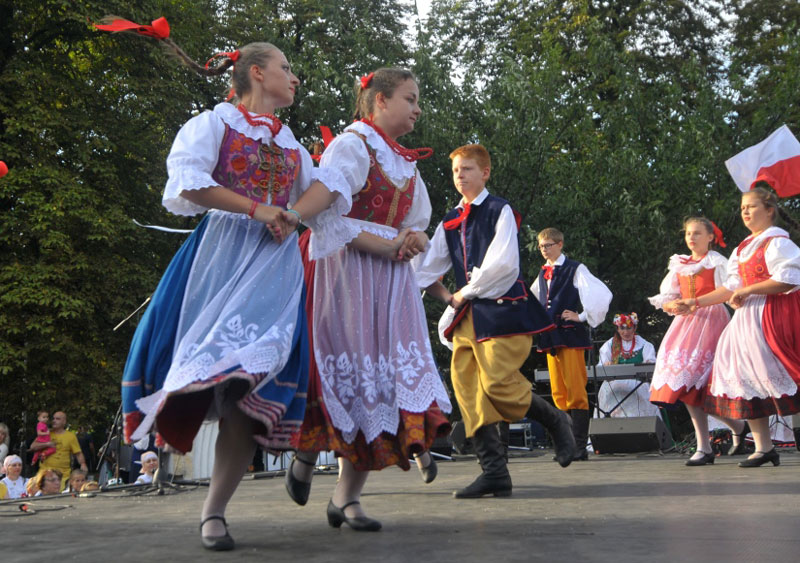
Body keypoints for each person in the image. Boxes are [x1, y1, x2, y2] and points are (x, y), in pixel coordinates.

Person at [99, 17, 350, 551]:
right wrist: (260, 209)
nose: (295, 77)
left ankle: (214, 512)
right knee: (211, 370)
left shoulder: (291, 144)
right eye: (286, 68)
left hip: (274, 270)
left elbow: (327, 190)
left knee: (246, 388)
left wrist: (288, 215)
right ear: (257, 73)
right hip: (218, 261)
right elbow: (191, 183)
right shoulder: (212, 123)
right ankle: (191, 431)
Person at [287, 68, 453, 529]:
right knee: (346, 367)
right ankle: (305, 453)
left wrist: (414, 239)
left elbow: (417, 219)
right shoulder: (352, 145)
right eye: (410, 98)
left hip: (390, 279)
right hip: (347, 271)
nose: (418, 108)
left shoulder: (405, 162)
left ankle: (345, 497)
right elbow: (326, 221)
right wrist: (388, 245)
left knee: (380, 380)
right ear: (380, 100)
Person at [415, 144, 575, 498]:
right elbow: (426, 271)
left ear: (485, 173)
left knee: (497, 382)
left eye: (468, 169)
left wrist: (465, 292)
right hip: (468, 316)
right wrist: (449, 297)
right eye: (456, 170)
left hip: (504, 312)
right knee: (468, 389)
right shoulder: (450, 220)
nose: (460, 175)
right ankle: (494, 471)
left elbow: (504, 266)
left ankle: (555, 420)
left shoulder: (499, 210)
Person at [674, 187, 800, 467]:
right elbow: (731, 287)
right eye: (743, 207)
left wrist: (749, 290)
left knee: (784, 375)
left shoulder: (778, 242)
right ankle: (764, 447)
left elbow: (790, 278)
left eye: (751, 206)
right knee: (748, 380)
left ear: (769, 211)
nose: (745, 211)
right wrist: (694, 302)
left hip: (772, 316)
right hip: (746, 322)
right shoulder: (743, 247)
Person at [649, 217, 747, 465]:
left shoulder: (717, 262)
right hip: (685, 325)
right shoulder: (679, 264)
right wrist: (674, 305)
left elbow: (728, 291)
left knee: (701, 386)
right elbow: (667, 298)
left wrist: (697, 302)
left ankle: (726, 433)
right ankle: (711, 442)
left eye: (697, 233)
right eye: (688, 234)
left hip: (711, 321)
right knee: (685, 387)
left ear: (711, 237)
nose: (691, 238)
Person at [532, 228, 612, 461]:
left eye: (547, 245)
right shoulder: (542, 273)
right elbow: (533, 301)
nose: (544, 250)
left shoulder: (575, 269)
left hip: (569, 336)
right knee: (558, 392)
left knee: (576, 390)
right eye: (541, 246)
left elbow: (600, 294)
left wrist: (582, 316)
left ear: (560, 244)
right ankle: (566, 445)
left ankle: (578, 447)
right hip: (551, 337)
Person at [596, 313, 660, 419]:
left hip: (638, 383)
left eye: (629, 328)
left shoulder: (644, 345)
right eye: (622, 328)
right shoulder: (609, 345)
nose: (625, 332)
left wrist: (647, 364)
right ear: (617, 329)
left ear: (634, 328)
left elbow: (651, 367)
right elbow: (600, 367)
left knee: (644, 392)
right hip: (614, 385)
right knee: (606, 392)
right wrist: (606, 365)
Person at [28, 411, 86, 490]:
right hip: (44, 474)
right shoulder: (46, 433)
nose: (54, 420)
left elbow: (78, 453)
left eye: (57, 419)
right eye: (53, 418)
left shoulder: (70, 436)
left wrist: (83, 464)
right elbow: (33, 447)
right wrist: (47, 444)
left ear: (64, 422)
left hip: (63, 476)